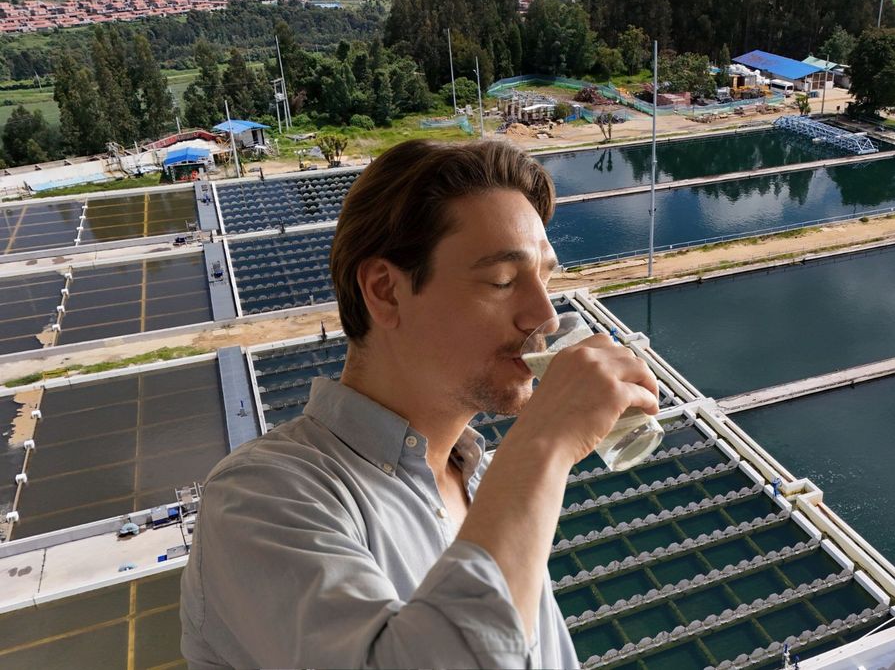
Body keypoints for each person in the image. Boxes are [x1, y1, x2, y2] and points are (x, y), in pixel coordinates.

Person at [179, 139, 659, 668]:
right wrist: (544, 445)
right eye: (502, 280)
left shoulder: (479, 483)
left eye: (546, 279)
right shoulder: (260, 499)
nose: (543, 316)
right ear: (385, 291)